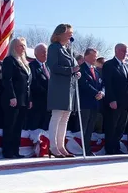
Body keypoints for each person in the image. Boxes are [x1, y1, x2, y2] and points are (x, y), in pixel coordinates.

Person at [46, 24, 80, 158]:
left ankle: (61, 146)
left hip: (68, 88)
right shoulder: (54, 48)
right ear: (60, 34)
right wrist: (70, 71)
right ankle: (53, 146)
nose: (71, 35)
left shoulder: (69, 49)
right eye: (68, 33)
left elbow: (75, 65)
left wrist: (76, 73)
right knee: (57, 117)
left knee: (65, 118)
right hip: (58, 87)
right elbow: (53, 66)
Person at [102, 43, 128, 155]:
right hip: (115, 102)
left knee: (121, 127)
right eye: (123, 51)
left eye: (126, 51)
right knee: (112, 126)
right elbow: (108, 83)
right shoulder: (109, 65)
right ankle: (110, 148)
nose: (126, 53)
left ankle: (116, 147)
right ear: (116, 50)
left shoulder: (126, 66)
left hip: (126, 103)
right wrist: (112, 99)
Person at [2, 37, 33, 159]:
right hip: (13, 99)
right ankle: (7, 151)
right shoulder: (9, 60)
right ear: (14, 47)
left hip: (24, 100)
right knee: (10, 125)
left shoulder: (24, 62)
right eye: (21, 46)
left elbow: (28, 83)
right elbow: (7, 80)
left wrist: (29, 99)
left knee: (18, 126)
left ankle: (16, 150)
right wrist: (12, 96)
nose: (23, 48)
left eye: (24, 46)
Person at [78, 47, 104, 156]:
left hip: (95, 103)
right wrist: (96, 93)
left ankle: (88, 149)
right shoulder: (81, 69)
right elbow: (84, 84)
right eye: (94, 56)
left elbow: (102, 84)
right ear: (87, 56)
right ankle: (83, 149)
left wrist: (102, 93)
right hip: (85, 103)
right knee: (84, 127)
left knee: (90, 128)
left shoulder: (96, 71)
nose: (95, 58)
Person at [27, 43, 50, 130]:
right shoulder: (32, 66)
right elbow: (34, 83)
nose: (45, 54)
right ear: (36, 54)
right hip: (37, 103)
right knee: (35, 126)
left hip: (47, 103)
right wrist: (47, 91)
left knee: (45, 126)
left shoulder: (47, 67)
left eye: (46, 52)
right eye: (43, 52)